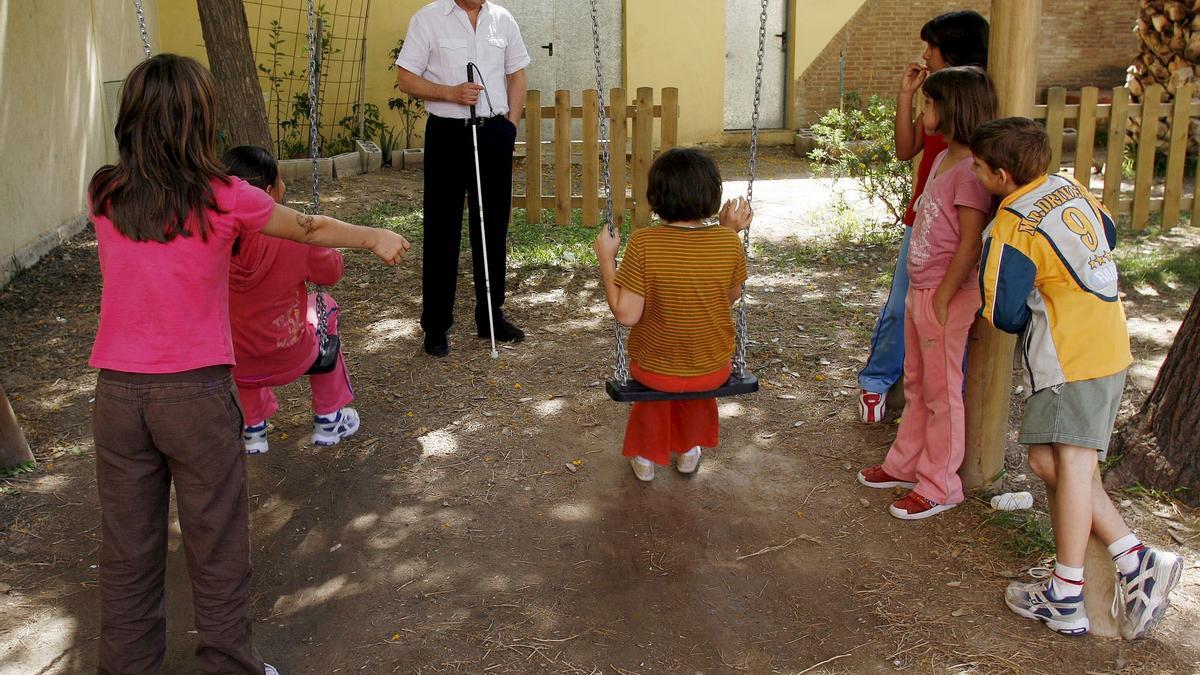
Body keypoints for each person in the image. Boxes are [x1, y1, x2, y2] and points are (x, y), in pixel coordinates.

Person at [87, 55, 410, 674]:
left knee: (128, 548)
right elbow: (308, 229)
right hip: (195, 395)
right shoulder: (225, 197)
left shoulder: (107, 191)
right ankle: (229, 664)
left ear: (130, 121)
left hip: (118, 397)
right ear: (201, 122)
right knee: (216, 541)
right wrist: (372, 236)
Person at [970, 117, 1183, 638]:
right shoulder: (1067, 185)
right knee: (1051, 463)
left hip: (1068, 360)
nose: (974, 174)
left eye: (978, 167)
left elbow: (1001, 310)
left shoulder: (1009, 224)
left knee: (1069, 462)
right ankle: (1134, 559)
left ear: (1000, 174)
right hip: (1107, 344)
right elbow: (1105, 230)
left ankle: (1067, 594)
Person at [856, 66, 996, 519]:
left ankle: (941, 484)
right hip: (923, 289)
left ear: (953, 109)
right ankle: (906, 463)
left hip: (945, 297)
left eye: (930, 103)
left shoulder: (973, 171)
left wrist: (942, 297)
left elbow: (971, 242)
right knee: (917, 383)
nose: (923, 110)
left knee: (941, 391)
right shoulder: (942, 159)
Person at [858, 10, 990, 423]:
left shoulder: (972, 99)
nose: (924, 53)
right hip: (923, 221)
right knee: (902, 307)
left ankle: (945, 401)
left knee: (949, 316)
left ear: (950, 50)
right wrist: (906, 96)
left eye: (930, 46)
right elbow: (906, 148)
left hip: (963, 226)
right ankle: (876, 383)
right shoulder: (937, 98)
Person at [594, 148, 752, 481]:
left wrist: (607, 259)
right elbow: (727, 298)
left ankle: (645, 454)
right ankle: (688, 448)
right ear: (712, 196)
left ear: (656, 197)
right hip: (712, 369)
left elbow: (626, 314)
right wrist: (728, 232)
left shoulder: (644, 243)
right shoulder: (728, 242)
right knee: (694, 381)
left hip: (654, 370)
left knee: (658, 382)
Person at [394, 0, 530, 357]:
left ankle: (491, 315)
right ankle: (437, 324)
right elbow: (405, 77)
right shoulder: (427, 19)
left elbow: (517, 73)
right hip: (447, 133)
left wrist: (510, 125)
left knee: (493, 224)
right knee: (443, 226)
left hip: (494, 131)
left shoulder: (502, 18)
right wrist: (449, 93)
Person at [223, 145, 358, 455]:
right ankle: (328, 419)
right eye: (280, 181)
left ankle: (253, 429)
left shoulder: (213, 240)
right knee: (327, 307)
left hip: (234, 365)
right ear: (269, 192)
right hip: (292, 355)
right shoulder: (292, 237)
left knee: (240, 330)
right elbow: (330, 273)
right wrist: (322, 245)